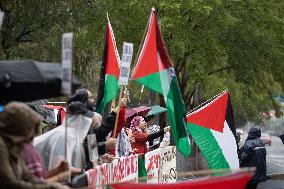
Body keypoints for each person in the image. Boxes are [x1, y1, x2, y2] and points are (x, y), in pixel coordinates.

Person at [0, 102, 68, 189]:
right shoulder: (2, 146)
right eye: (30, 129)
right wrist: (50, 186)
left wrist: (51, 184)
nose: (33, 135)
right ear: (19, 127)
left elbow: (26, 175)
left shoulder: (15, 145)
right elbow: (10, 183)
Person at [34, 101, 99, 175]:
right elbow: (59, 168)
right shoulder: (64, 136)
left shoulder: (68, 133)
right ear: (78, 120)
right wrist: (86, 171)